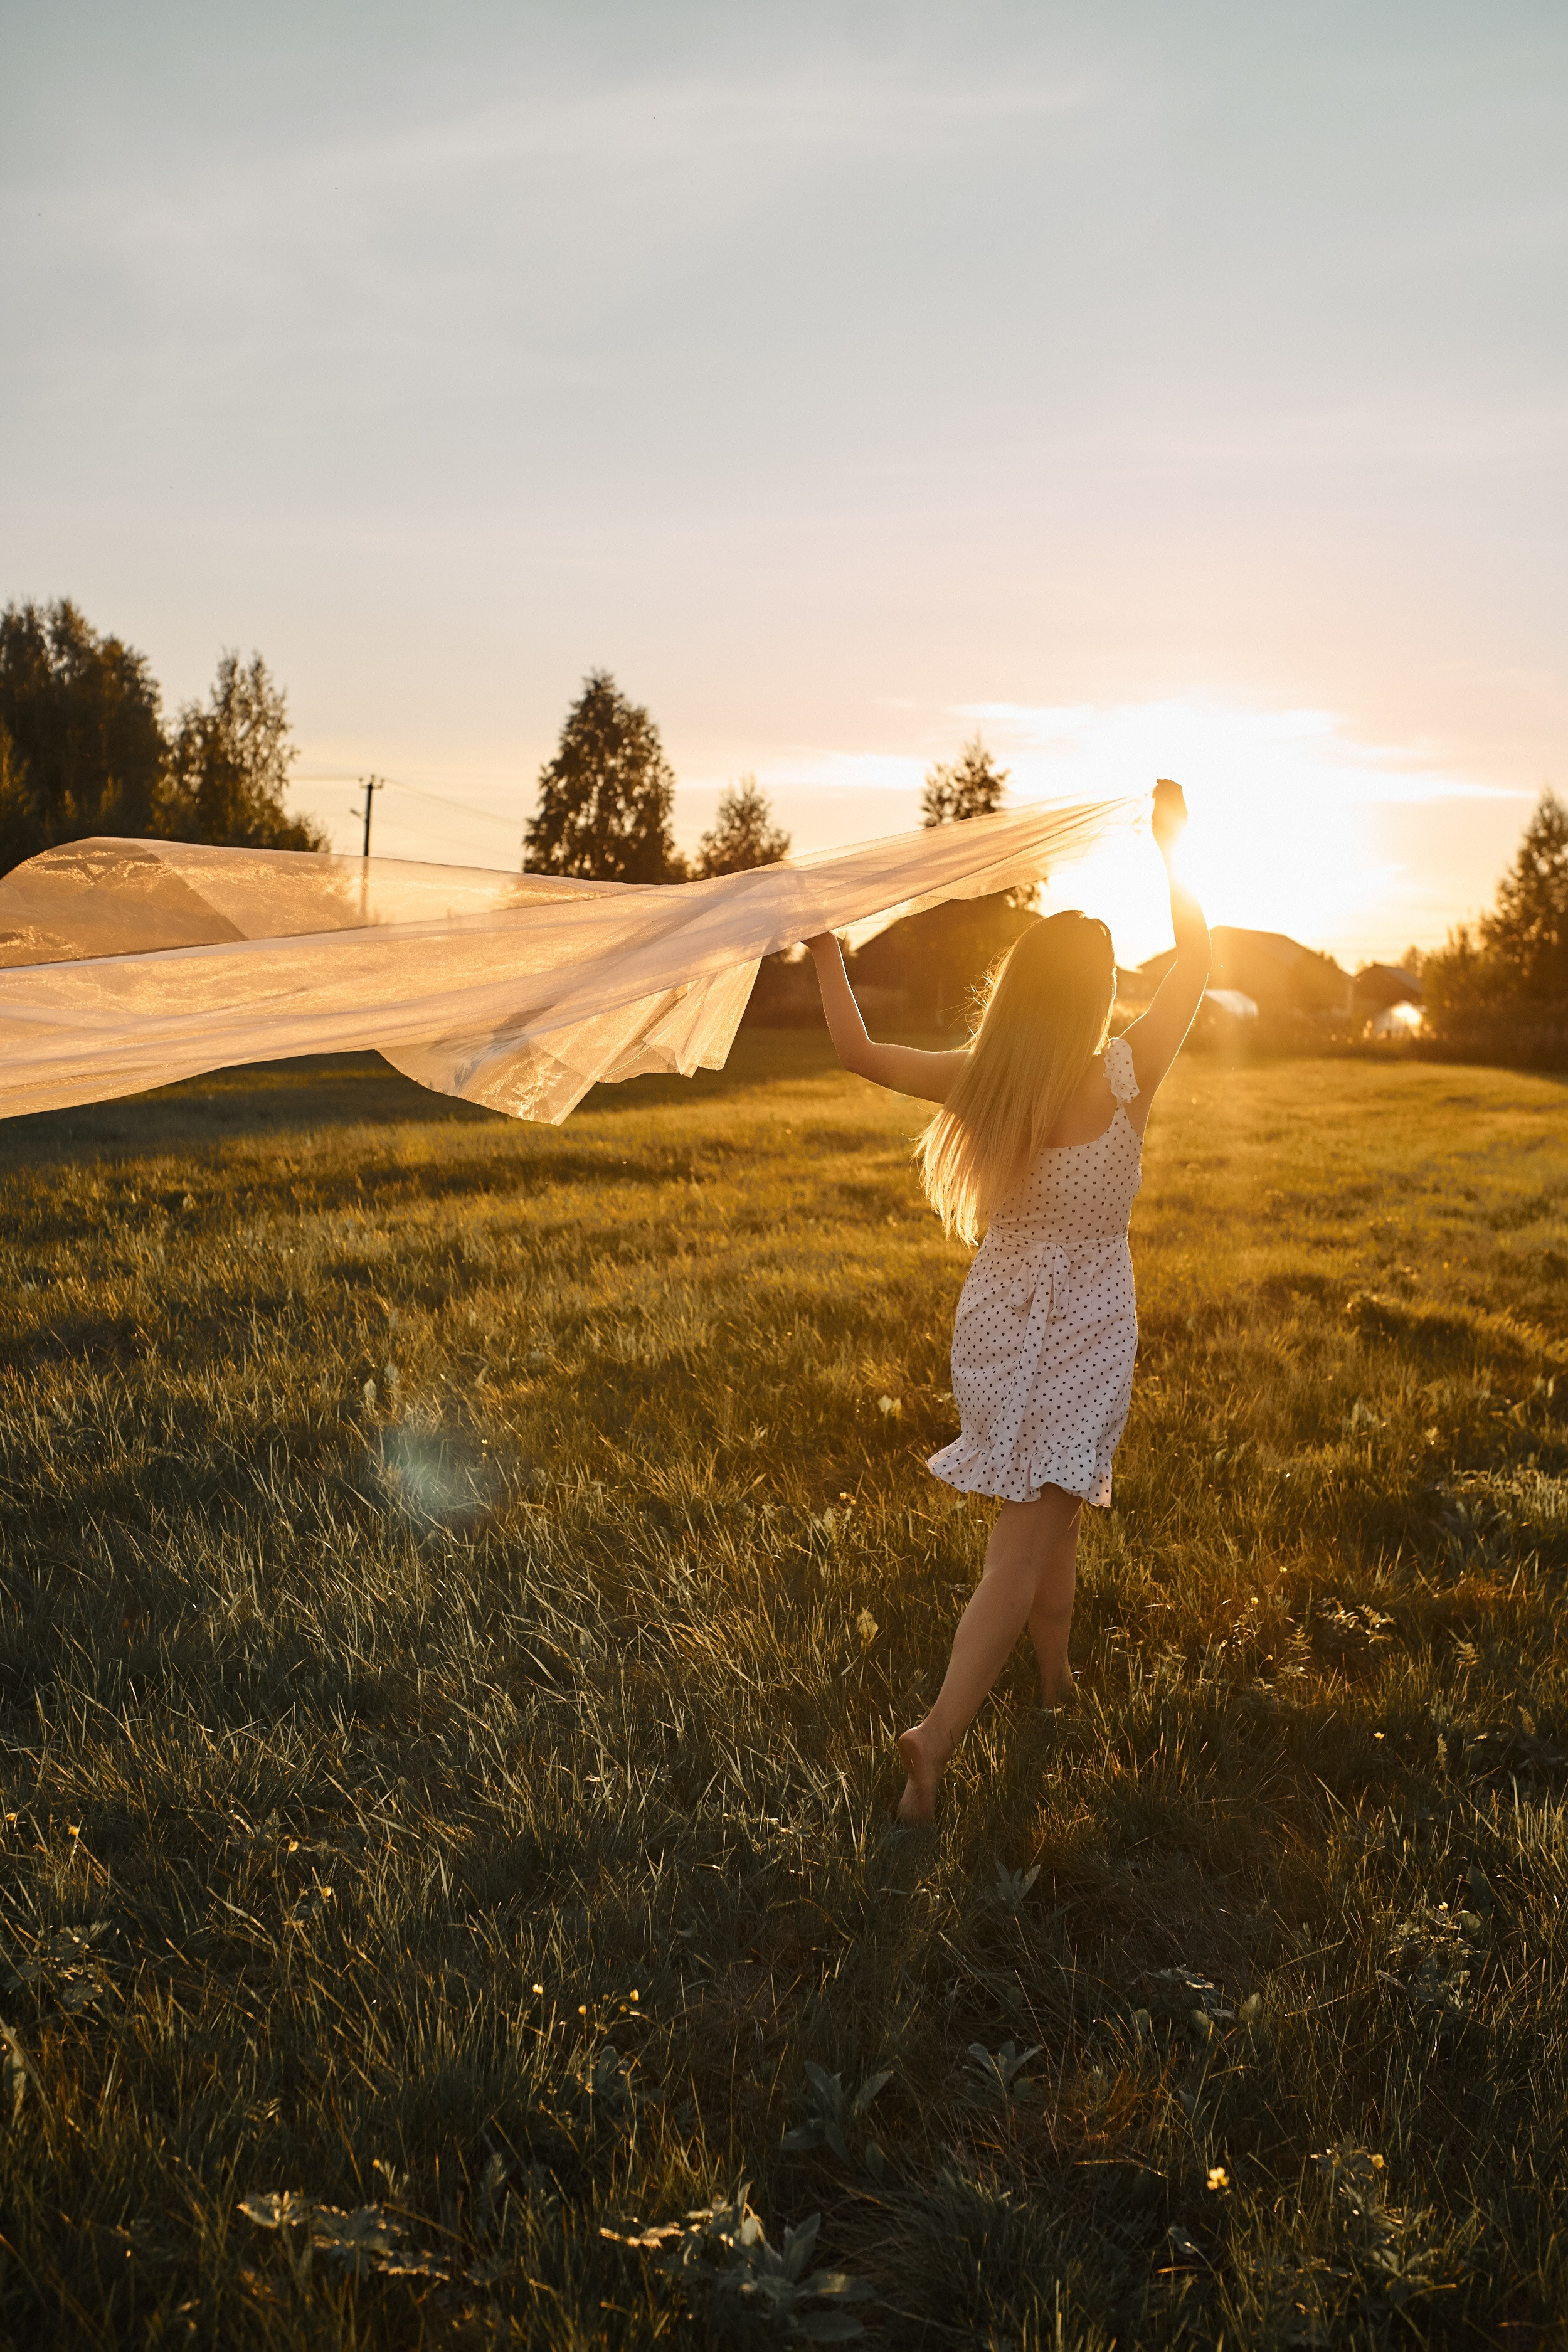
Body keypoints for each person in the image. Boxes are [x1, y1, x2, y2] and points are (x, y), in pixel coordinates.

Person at [804, 779, 1209, 1821]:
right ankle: (934, 1740)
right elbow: (1201, 966)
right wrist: (1177, 851)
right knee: (1024, 1546)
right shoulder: (1124, 1075)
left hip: (999, 1324)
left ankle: (1056, 1684)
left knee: (1056, 1521)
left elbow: (854, 1051)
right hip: (1082, 1332)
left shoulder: (984, 1078)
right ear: (1097, 998)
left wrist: (824, 952)